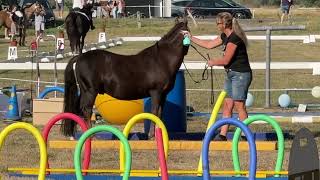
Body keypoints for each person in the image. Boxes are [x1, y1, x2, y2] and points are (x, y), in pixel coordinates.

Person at [183, 12, 252, 141]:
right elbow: (209, 44)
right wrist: (191, 37)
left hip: (240, 75)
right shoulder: (225, 36)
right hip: (231, 74)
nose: (217, 25)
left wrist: (213, 62)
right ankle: (222, 134)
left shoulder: (234, 38)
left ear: (225, 24)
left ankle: (245, 134)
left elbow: (226, 60)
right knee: (227, 105)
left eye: (218, 23)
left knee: (239, 105)